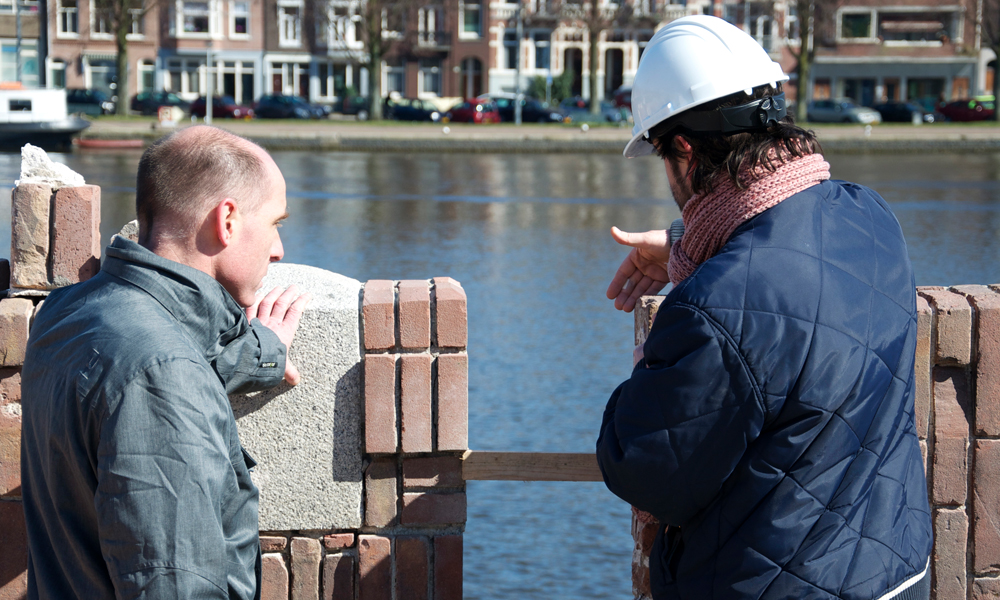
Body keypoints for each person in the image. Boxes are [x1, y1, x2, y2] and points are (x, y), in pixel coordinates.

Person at [596, 16, 932, 600]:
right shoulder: (871, 217)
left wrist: (647, 368)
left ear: (683, 148)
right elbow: (794, 277)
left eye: (660, 155)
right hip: (895, 572)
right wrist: (686, 248)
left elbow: (645, 467)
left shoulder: (713, 307)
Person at [21, 125, 310, 599]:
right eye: (275, 223)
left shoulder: (64, 312)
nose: (279, 249)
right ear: (228, 220)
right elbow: (173, 584)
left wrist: (263, 351)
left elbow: (163, 360)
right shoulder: (161, 371)